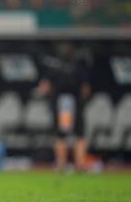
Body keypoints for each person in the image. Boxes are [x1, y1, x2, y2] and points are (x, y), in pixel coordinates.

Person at [37, 42, 91, 172]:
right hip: (75, 103)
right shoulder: (78, 67)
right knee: (79, 134)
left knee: (60, 135)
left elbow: (43, 88)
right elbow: (85, 89)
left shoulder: (54, 68)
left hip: (60, 104)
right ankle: (80, 164)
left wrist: (44, 95)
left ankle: (61, 164)